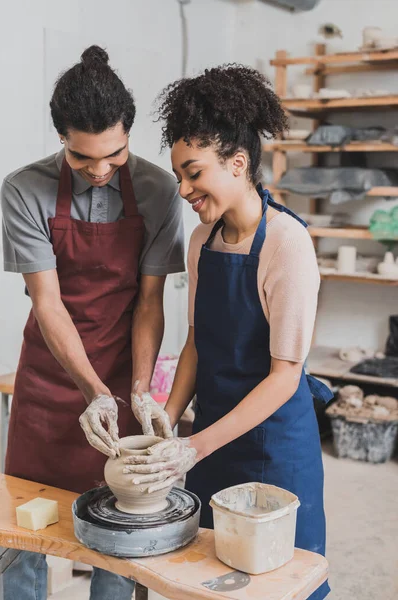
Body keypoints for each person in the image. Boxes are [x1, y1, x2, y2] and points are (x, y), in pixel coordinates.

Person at [124, 65, 333, 600]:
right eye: (179, 176)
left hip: (273, 445)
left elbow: (285, 377)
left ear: (238, 163)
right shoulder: (202, 241)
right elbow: (196, 341)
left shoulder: (286, 245)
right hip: (211, 439)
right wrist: (166, 427)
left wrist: (193, 447)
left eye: (194, 173)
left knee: (274, 583)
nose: (184, 189)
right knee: (206, 579)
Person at [0, 45, 183, 600]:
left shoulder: (158, 189)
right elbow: (48, 303)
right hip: (49, 379)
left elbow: (149, 303)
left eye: (116, 154)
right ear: (61, 138)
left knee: (121, 528)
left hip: (125, 369)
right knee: (22, 530)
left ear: (128, 134)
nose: (102, 171)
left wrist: (135, 389)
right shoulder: (23, 190)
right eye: (83, 159)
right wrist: (91, 391)